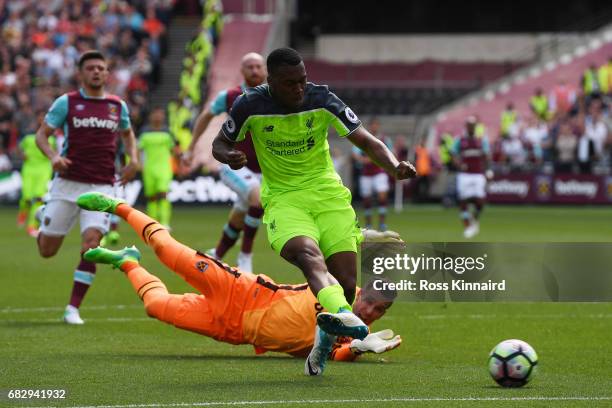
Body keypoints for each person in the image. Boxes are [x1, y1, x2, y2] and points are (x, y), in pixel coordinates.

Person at [211, 47, 416, 375]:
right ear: (272, 81)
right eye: (291, 83)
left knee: (348, 283)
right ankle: (349, 320)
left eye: (303, 80)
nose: (299, 88)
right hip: (284, 200)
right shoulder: (249, 104)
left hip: (329, 198)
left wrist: (394, 166)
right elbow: (219, 143)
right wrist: (228, 155)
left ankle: (321, 346)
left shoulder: (321, 98)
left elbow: (364, 139)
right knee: (309, 255)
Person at [77, 192, 402, 361]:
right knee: (166, 251)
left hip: (233, 328)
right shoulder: (337, 288)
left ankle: (128, 262)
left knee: (155, 307)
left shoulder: (352, 334)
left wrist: (359, 349)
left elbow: (337, 353)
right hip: (240, 290)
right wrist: (364, 235)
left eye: (380, 312)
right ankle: (118, 206)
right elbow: (328, 242)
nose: (371, 313)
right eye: (371, 303)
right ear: (360, 292)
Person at [34, 50, 139, 325]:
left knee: (91, 246)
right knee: (47, 250)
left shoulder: (117, 106)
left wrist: (134, 160)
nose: (96, 72)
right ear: (81, 73)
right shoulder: (66, 102)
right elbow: (41, 136)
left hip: (102, 184)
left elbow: (128, 135)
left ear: (107, 73)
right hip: (67, 183)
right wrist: (54, 157)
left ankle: (72, 308)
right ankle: (43, 217)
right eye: (90, 68)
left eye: (100, 68)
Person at [185, 52, 267, 272]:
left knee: (242, 214)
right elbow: (206, 116)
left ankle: (217, 255)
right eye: (250, 66)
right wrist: (192, 146)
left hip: (265, 170)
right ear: (242, 71)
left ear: (266, 70)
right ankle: (245, 257)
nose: (255, 70)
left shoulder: (273, 97)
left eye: (258, 66)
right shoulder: (230, 96)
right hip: (234, 166)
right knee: (256, 198)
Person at [451, 116, 491, 239]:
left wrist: (488, 170)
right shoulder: (460, 140)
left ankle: (474, 218)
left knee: (480, 201)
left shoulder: (481, 140)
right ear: (466, 126)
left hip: (478, 174)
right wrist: (459, 164)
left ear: (475, 126)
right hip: (464, 175)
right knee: (463, 201)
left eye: (473, 125)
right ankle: (468, 227)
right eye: (469, 124)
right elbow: (453, 154)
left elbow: (486, 156)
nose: (471, 127)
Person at [18, 113, 56, 237]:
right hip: (28, 170)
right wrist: (22, 155)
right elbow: (19, 148)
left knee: (39, 197)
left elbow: (55, 153)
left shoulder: (51, 140)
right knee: (27, 198)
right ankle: (23, 212)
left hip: (44, 170)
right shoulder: (28, 138)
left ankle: (32, 226)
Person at [138, 107, 177, 228]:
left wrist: (180, 164)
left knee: (163, 193)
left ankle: (165, 223)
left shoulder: (168, 132)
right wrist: (138, 163)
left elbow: (174, 150)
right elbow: (138, 150)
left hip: (164, 167)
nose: (158, 117)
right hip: (149, 168)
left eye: (160, 114)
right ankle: (153, 223)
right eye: (155, 114)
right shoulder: (144, 132)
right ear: (150, 116)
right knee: (152, 197)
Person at [351, 118, 392, 230]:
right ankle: (369, 224)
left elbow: (390, 153)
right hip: (366, 174)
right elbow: (354, 154)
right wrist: (363, 160)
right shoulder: (364, 138)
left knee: (382, 196)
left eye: (376, 125)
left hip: (379, 172)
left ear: (378, 126)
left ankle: (382, 223)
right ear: (370, 126)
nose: (374, 127)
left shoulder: (384, 139)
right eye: (372, 125)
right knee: (367, 199)